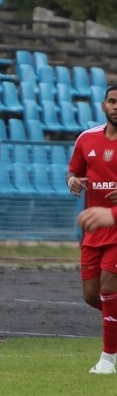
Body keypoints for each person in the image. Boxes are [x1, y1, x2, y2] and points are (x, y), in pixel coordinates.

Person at [68, 83, 117, 375]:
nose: (116, 106)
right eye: (112, 101)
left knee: (109, 290)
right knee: (92, 295)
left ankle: (107, 360)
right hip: (95, 231)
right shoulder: (86, 139)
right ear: (103, 106)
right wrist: (72, 182)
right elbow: (73, 172)